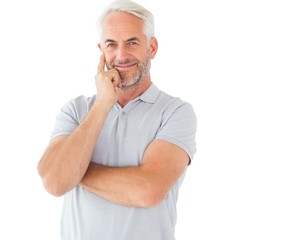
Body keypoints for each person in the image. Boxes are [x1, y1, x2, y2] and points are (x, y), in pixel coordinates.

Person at [37, 0, 197, 239]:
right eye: (112, 45)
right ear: (101, 51)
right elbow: (54, 183)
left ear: (151, 48)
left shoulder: (175, 112)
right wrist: (103, 104)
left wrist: (75, 172)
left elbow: (148, 190)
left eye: (132, 42)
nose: (121, 55)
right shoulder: (76, 110)